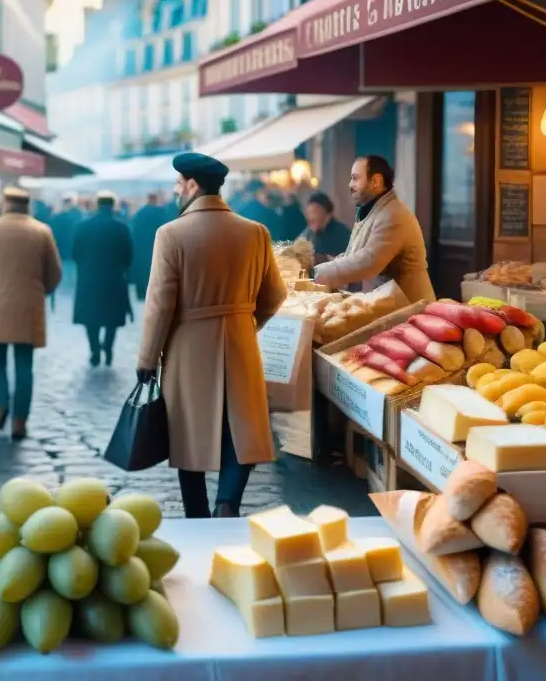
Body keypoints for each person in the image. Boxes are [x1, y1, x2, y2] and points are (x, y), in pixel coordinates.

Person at [137, 153, 287, 518]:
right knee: (241, 430)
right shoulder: (255, 232)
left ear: (192, 185)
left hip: (188, 347)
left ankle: (198, 516)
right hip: (240, 341)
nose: (175, 191)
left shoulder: (170, 234)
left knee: (189, 432)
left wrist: (146, 361)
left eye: (178, 184)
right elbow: (276, 295)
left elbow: (159, 306)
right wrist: (245, 323)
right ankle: (228, 504)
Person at [0, 187, 62, 440]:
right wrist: (40, 291)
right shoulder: (42, 231)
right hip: (29, 306)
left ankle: (1, 404)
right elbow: (55, 273)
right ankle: (20, 420)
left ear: (5, 205)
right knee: (25, 365)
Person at [313, 155, 435, 302]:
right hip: (390, 307)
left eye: (355, 178)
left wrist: (320, 272)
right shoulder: (371, 211)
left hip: (411, 310)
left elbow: (368, 261)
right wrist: (320, 260)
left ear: (375, 181)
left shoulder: (393, 214)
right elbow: (352, 255)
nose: (350, 185)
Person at [73, 190, 133, 367]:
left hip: (89, 278)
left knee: (90, 318)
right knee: (111, 318)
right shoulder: (121, 228)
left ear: (97, 205)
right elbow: (128, 255)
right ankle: (107, 346)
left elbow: (75, 253)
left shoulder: (82, 226)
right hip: (113, 278)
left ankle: (94, 350)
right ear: (112, 206)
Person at [129, 192, 165, 301]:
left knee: (141, 271)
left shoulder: (139, 213)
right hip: (155, 245)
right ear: (155, 200)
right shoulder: (161, 213)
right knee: (154, 271)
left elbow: (133, 230)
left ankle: (140, 294)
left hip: (141, 247)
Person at [300, 191, 352, 262]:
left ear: (328, 215)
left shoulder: (343, 235)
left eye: (315, 212)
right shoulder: (306, 235)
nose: (311, 217)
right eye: (308, 213)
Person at [50, 194, 82, 290]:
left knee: (65, 268)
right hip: (74, 247)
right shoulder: (78, 216)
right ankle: (70, 286)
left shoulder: (58, 217)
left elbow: (54, 233)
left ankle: (65, 287)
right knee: (72, 269)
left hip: (62, 248)